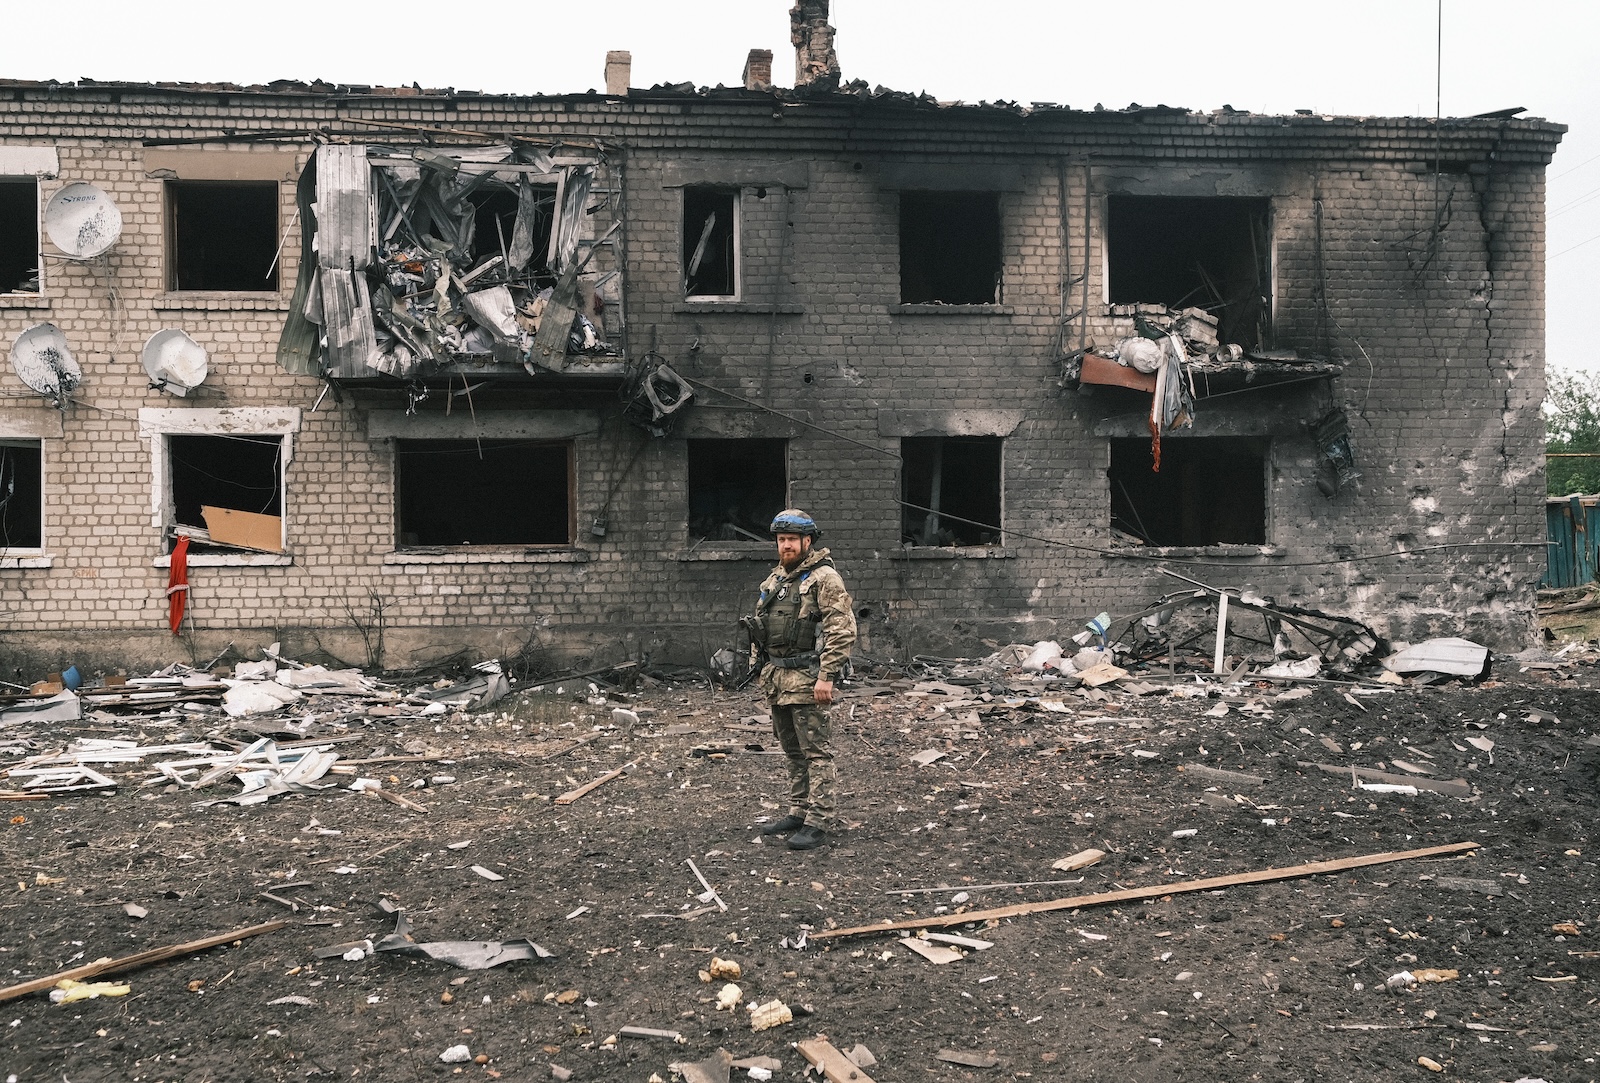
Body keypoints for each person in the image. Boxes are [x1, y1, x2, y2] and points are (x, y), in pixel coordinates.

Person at [745, 509, 856, 850]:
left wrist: (827, 677)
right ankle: (799, 810)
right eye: (781, 540)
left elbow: (842, 631)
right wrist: (758, 667)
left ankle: (819, 820)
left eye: (792, 540)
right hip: (778, 679)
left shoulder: (825, 579)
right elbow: (761, 629)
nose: (786, 546)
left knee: (816, 752)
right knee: (792, 750)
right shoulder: (775, 581)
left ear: (807, 542)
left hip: (808, 678)